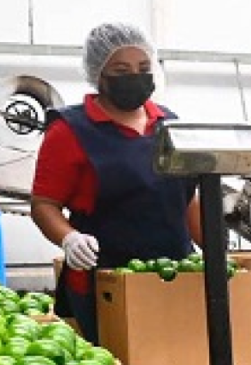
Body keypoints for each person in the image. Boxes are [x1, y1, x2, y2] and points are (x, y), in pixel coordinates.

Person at [30, 22, 201, 344]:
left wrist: (217, 251)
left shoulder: (170, 125)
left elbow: (185, 197)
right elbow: (44, 204)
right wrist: (70, 239)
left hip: (174, 276)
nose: (135, 76)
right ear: (99, 75)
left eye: (144, 68)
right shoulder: (70, 130)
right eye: (121, 70)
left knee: (178, 361)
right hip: (104, 281)